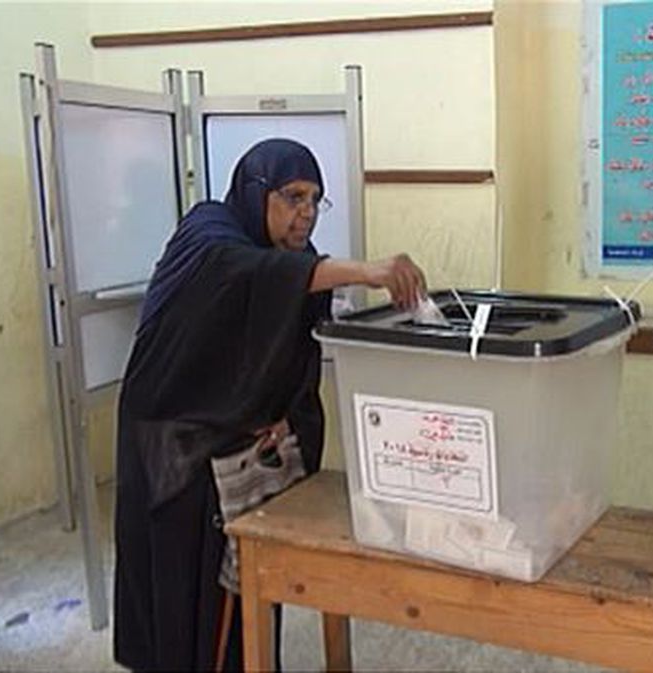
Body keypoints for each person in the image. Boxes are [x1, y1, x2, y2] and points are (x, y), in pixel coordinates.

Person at [113, 138, 426, 671]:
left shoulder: (293, 260)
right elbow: (237, 272)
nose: (305, 213)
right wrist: (364, 270)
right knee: (182, 585)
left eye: (314, 200)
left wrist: (281, 419)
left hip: (228, 445)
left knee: (237, 592)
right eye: (293, 197)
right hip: (171, 443)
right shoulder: (208, 233)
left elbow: (288, 356)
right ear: (256, 191)